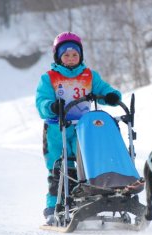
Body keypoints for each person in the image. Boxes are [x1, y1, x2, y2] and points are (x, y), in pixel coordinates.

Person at [35, 32, 122, 223]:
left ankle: (84, 200)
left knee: (86, 165)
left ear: (80, 55)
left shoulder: (89, 75)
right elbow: (41, 100)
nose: (71, 58)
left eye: (75, 54)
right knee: (59, 167)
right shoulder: (49, 78)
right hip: (56, 130)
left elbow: (104, 90)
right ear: (58, 56)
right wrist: (51, 106)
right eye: (66, 55)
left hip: (84, 129)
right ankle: (53, 206)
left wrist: (112, 96)